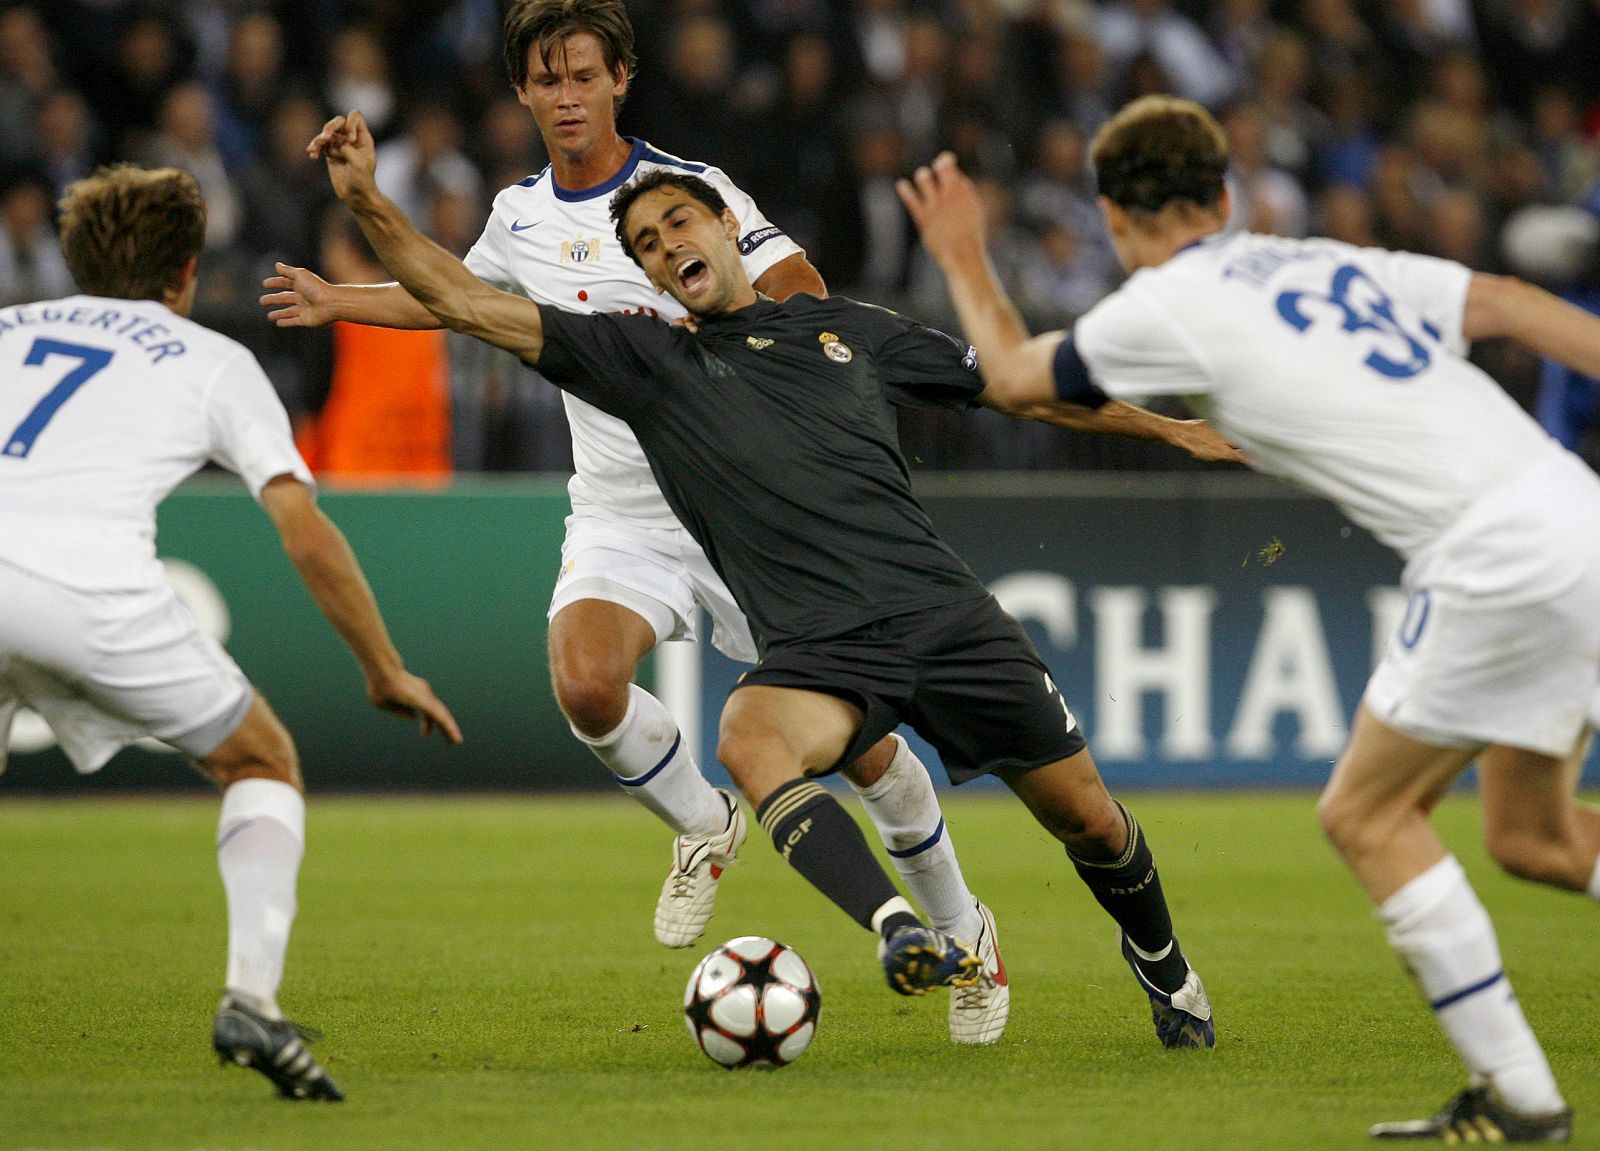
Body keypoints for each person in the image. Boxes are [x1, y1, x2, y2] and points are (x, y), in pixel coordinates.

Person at [320, 108, 1227, 1049]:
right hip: (822, 646)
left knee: (1087, 820)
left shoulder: (846, 332)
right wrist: (368, 202)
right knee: (749, 738)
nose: (667, 245)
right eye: (646, 244)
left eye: (679, 224)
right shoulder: (644, 364)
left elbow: (1015, 379)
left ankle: (1166, 967)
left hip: (945, 617)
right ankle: (901, 931)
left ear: (725, 228)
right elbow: (464, 301)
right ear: (649, 280)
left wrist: (1168, 429)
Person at [261, 0, 1012, 1045]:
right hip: (623, 508)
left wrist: (747, 329)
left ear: (620, 78)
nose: (565, 97)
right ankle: (706, 824)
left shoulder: (685, 193)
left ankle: (965, 931)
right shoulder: (520, 214)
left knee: (867, 752)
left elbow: (798, 278)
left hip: (747, 506)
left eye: (583, 75)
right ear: (523, 92)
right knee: (583, 677)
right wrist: (342, 297)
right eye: (545, 79)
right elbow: (457, 296)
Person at [899, 94, 1600, 1141]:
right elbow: (1502, 300)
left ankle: (1521, 1095)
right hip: (1572, 508)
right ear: (1224, 197)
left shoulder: (1165, 302)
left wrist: (963, 252)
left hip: (1489, 555)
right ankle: (1518, 1094)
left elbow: (1010, 377)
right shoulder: (1322, 259)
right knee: (1532, 835)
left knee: (1363, 815)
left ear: (1111, 216)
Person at [0, 165, 463, 1101]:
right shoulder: (211, 358)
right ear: (187, 271)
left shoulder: (7, 329)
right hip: (87, 588)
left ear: (77, 259)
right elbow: (305, 531)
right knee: (259, 759)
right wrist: (383, 667)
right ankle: (251, 996)